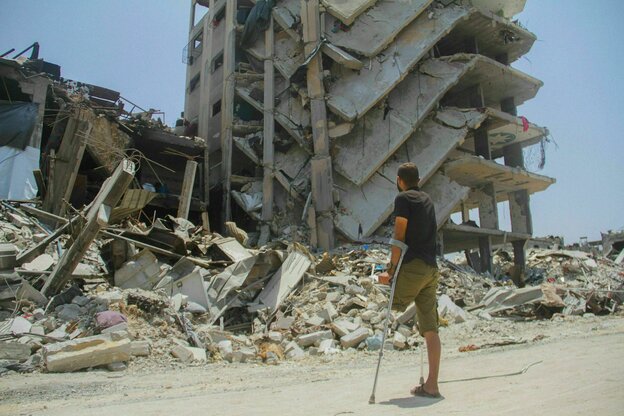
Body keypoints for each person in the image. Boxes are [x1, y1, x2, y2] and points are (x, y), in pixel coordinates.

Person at [378, 162, 442, 398]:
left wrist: (391, 270)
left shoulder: (403, 199)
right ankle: (431, 384)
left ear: (399, 180)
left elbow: (399, 236)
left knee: (392, 304)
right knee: (430, 328)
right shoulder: (427, 200)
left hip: (413, 266)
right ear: (418, 178)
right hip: (431, 268)